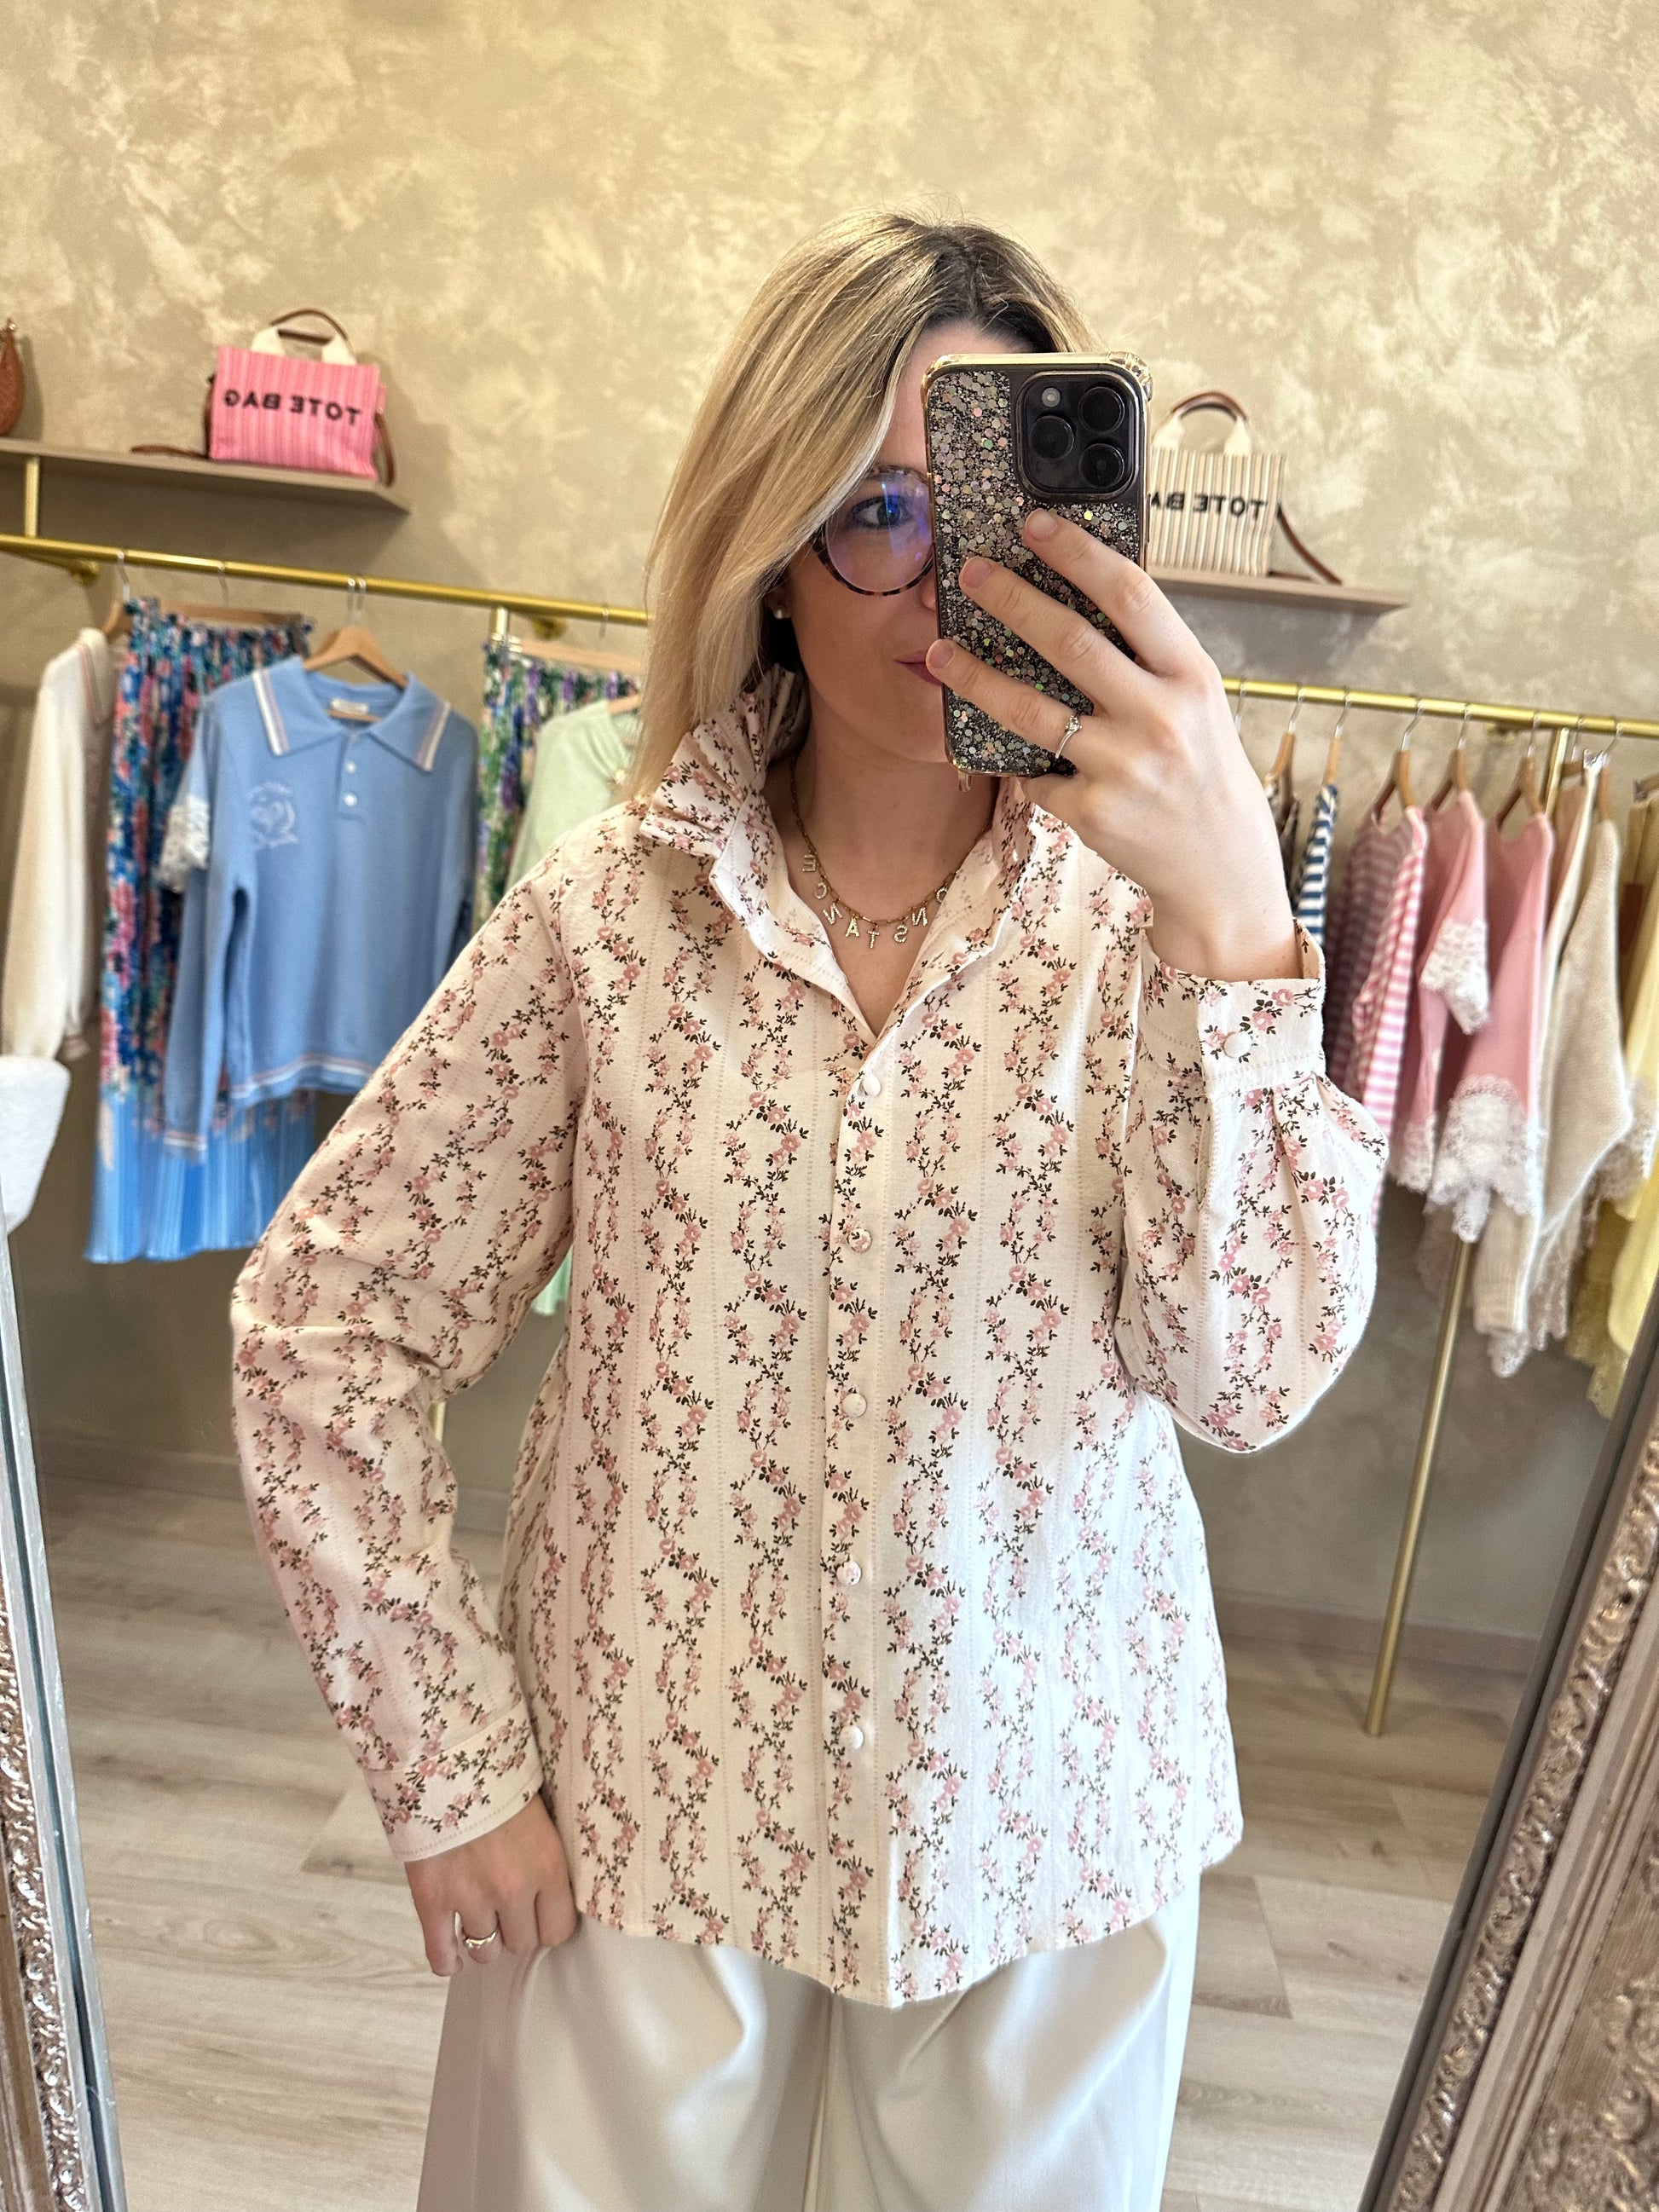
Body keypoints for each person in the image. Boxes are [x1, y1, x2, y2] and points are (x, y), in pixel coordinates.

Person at [228, 210, 1386, 2212]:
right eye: (872, 511)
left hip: (1045, 1843)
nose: (941, 581)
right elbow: (323, 1324)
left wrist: (1229, 924)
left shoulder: (1159, 937)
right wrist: (447, 1764)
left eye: (988, 512)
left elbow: (1252, 1377)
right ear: (770, 549)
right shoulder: (609, 923)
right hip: (643, 1830)